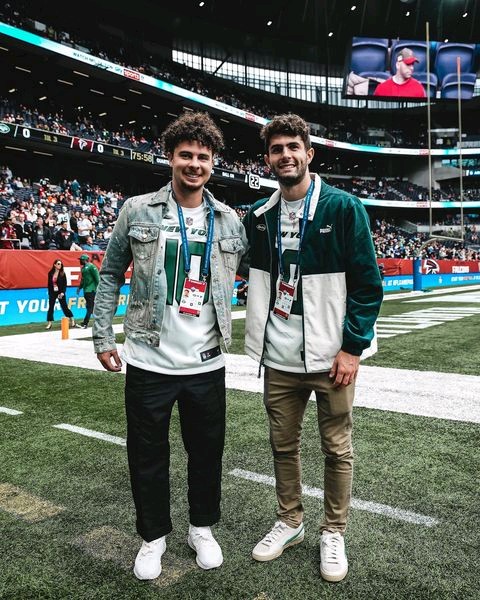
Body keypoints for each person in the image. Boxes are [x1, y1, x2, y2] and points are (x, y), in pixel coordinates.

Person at [92, 111, 247, 581]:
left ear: (213, 162)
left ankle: (202, 527)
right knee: (147, 455)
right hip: (148, 357)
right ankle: (153, 537)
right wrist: (102, 334)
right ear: (170, 157)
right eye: (186, 155)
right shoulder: (137, 210)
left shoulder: (230, 220)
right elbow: (110, 275)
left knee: (207, 453)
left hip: (206, 362)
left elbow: (257, 276)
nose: (194, 164)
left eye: (202, 156)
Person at [241, 114, 383, 582]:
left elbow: (368, 285)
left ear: (309, 153)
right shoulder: (259, 217)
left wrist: (353, 347)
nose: (285, 155)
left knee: (336, 448)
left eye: (293, 147)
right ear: (268, 159)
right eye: (277, 149)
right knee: (283, 445)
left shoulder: (343, 208)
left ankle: (333, 530)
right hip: (279, 356)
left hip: (331, 355)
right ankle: (290, 521)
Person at [46, 259, 75, 329]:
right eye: (58, 264)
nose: (60, 265)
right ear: (54, 265)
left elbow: (65, 284)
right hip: (53, 292)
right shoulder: (50, 273)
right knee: (51, 307)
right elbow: (49, 284)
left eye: (61, 264)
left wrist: (62, 292)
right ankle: (49, 323)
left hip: (60, 292)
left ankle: (72, 319)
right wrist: (49, 292)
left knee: (64, 307)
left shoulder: (62, 273)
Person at [75, 254, 99, 329]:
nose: (80, 261)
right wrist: (79, 287)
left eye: (81, 260)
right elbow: (83, 280)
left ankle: (85, 323)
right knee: (92, 307)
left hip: (91, 290)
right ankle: (99, 322)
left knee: (90, 307)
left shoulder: (91, 267)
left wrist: (99, 288)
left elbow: (97, 277)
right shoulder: (83, 268)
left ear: (84, 260)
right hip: (86, 290)